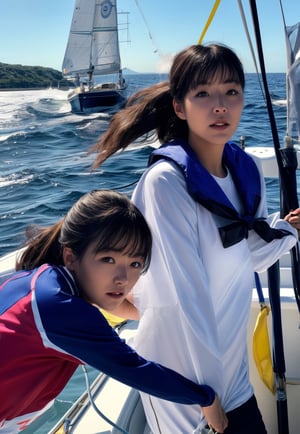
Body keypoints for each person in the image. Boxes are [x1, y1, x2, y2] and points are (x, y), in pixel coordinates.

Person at [91, 44, 300, 433]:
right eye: (202, 93)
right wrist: (205, 397)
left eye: (231, 91)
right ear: (180, 107)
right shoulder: (166, 183)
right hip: (182, 375)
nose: (219, 105)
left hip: (231, 366)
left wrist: (287, 230)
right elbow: (189, 298)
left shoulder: (247, 170)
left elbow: (245, 256)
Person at [0, 189, 227, 433]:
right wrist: (207, 399)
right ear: (71, 257)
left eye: (135, 264)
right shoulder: (58, 307)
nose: (123, 278)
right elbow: (135, 370)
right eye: (108, 259)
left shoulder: (35, 281)